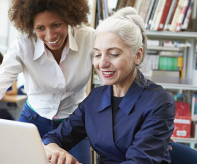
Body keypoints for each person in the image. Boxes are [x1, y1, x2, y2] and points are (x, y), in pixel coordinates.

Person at [0, 0, 93, 163]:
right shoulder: (23, 45)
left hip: (74, 124)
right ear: (30, 25)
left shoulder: (89, 38)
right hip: (33, 121)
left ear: (69, 17)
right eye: (40, 28)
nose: (50, 36)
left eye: (56, 24)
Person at [42, 7, 175, 164]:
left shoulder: (159, 102)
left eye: (113, 54)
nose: (102, 64)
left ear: (137, 55)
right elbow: (55, 137)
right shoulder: (95, 98)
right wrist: (54, 150)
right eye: (97, 54)